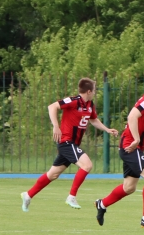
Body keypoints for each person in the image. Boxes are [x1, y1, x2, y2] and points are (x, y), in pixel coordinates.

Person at [22, 78, 119, 211]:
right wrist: (56, 126)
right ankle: (71, 197)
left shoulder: (90, 105)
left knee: (53, 174)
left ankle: (28, 195)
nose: (95, 92)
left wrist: (107, 129)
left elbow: (93, 120)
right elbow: (52, 107)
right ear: (89, 91)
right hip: (66, 142)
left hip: (73, 144)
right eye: (94, 90)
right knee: (87, 165)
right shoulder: (73, 101)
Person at [95, 71, 144, 230]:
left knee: (129, 187)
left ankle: (102, 204)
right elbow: (132, 117)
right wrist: (136, 139)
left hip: (131, 147)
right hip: (130, 147)